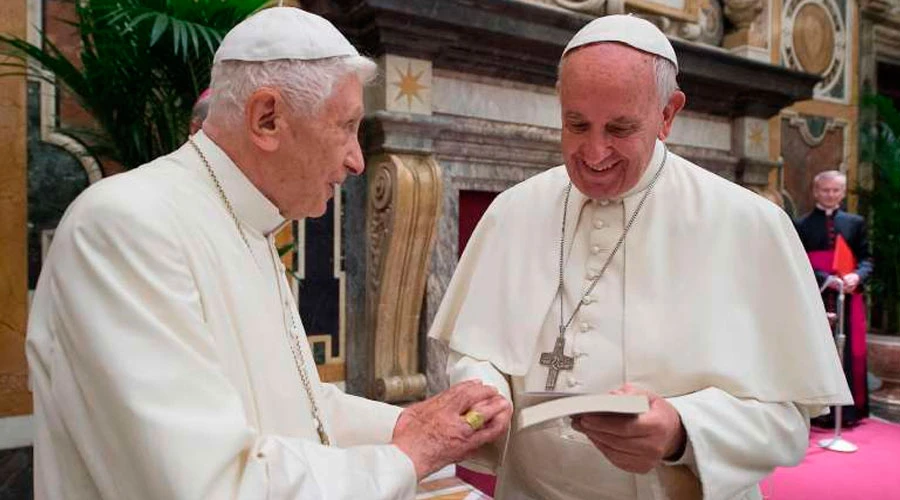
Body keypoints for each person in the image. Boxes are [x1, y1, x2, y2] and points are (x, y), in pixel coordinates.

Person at [26, 7, 510, 499]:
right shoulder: (125, 227)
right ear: (268, 118)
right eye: (346, 127)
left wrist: (418, 421)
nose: (357, 160)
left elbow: (303, 407)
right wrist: (411, 452)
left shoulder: (248, 224)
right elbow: (209, 483)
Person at [429, 15, 851, 500]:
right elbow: (476, 351)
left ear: (668, 115)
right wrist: (486, 391)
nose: (594, 151)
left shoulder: (749, 224)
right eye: (576, 124)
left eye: (621, 128)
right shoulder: (513, 211)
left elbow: (787, 423)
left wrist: (680, 431)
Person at [795, 170, 873, 427]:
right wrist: (824, 278)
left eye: (835, 190)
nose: (830, 195)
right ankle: (819, 412)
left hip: (848, 297)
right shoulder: (801, 224)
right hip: (815, 294)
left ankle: (848, 413)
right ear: (815, 192)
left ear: (842, 192)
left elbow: (867, 259)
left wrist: (857, 277)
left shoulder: (855, 222)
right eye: (825, 190)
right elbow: (798, 260)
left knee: (848, 352)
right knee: (817, 350)